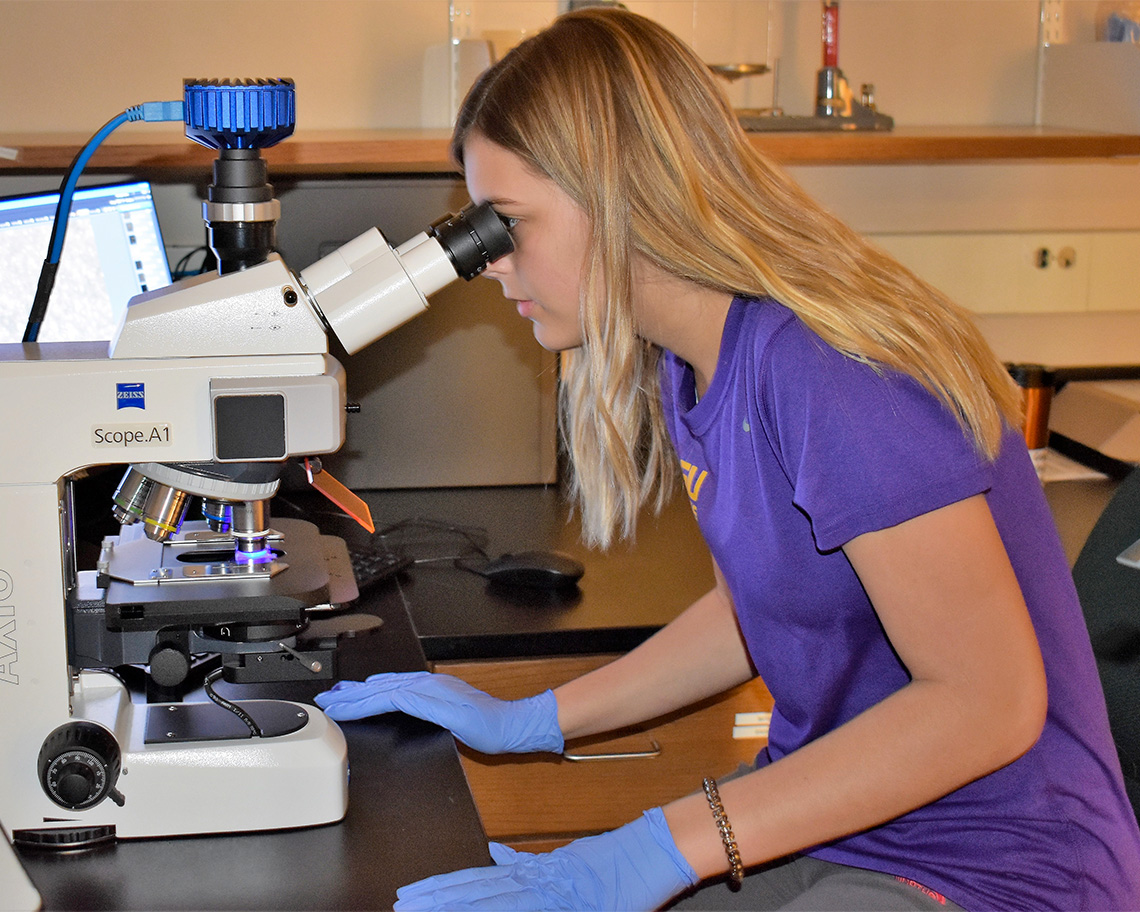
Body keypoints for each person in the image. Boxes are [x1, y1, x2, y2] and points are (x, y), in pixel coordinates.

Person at [315, 8, 1140, 910]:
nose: (492, 266)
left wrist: (649, 849)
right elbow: (764, 604)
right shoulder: (701, 360)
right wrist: (536, 720)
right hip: (843, 823)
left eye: (507, 225)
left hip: (1001, 867)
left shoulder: (827, 366)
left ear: (622, 194)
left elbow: (988, 702)